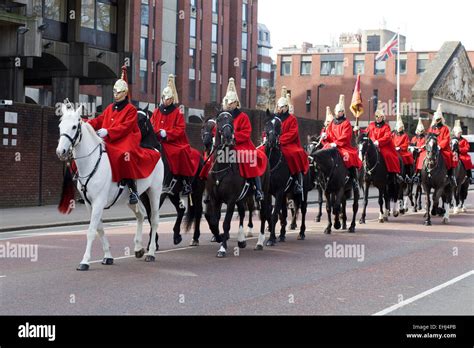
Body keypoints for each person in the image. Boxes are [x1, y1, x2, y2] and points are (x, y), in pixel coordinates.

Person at [88, 71, 161, 204]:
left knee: (124, 155)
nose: (116, 95)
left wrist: (108, 132)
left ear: (125, 93)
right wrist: (86, 124)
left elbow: (125, 127)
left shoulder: (131, 109)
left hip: (126, 139)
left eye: (119, 92)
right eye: (114, 92)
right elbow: (99, 120)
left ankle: (133, 190)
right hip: (109, 139)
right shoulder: (110, 107)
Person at [151, 75, 200, 195]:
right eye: (164, 98)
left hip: (173, 142)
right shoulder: (157, 111)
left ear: (172, 99)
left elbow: (180, 129)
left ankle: (185, 182)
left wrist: (167, 133)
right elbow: (151, 123)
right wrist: (156, 132)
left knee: (181, 152)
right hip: (158, 141)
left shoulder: (177, 112)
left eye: (168, 99)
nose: (166, 101)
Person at [221, 78, 268, 201]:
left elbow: (246, 133)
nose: (230, 105)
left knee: (249, 159)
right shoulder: (223, 116)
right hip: (225, 144)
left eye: (232, 103)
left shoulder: (243, 117)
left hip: (242, 145)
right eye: (228, 103)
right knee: (212, 158)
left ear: (236, 103)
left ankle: (258, 189)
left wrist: (233, 136)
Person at [321, 95, 362, 191]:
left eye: (342, 111)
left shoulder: (346, 123)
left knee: (348, 156)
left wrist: (336, 143)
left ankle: (353, 179)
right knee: (321, 155)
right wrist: (325, 136)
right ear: (335, 112)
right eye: (339, 111)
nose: (341, 113)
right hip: (331, 145)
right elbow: (329, 133)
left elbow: (346, 136)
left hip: (343, 146)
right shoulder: (332, 123)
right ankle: (321, 178)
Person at [274, 96, 310, 194]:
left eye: (283, 107)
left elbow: (293, 133)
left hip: (289, 144)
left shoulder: (292, 119)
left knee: (294, 154)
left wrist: (280, 140)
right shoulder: (274, 118)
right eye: (279, 107)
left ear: (286, 107)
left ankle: (297, 180)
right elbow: (269, 129)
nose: (280, 109)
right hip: (274, 143)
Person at [416, 104, 456, 185]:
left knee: (448, 156)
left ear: (441, 119)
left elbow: (446, 139)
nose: (437, 121)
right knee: (422, 156)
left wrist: (439, 145)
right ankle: (419, 174)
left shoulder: (445, 129)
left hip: (442, 148)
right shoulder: (431, 128)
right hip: (431, 148)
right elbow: (428, 137)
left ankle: (450, 175)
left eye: (438, 119)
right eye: (436, 119)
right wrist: (425, 144)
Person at [366, 101, 402, 181]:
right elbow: (366, 133)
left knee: (388, 155)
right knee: (364, 154)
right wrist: (358, 130)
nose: (378, 118)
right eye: (376, 117)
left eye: (379, 117)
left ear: (382, 117)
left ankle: (392, 173)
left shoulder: (386, 126)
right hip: (372, 145)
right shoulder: (371, 125)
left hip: (384, 146)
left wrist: (378, 142)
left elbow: (387, 137)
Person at [392, 116, 414, 183]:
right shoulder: (393, 135)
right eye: (398, 127)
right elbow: (391, 141)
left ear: (402, 128)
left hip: (402, 151)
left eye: (400, 127)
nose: (399, 129)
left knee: (407, 158)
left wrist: (400, 147)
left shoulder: (405, 135)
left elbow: (406, 144)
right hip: (394, 151)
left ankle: (407, 174)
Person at [410, 118, 427, 183]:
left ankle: (419, 172)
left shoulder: (425, 138)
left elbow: (425, 145)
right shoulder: (414, 138)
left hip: (422, 152)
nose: (420, 133)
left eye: (421, 131)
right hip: (415, 152)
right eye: (419, 131)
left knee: (421, 157)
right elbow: (412, 144)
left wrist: (421, 148)